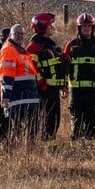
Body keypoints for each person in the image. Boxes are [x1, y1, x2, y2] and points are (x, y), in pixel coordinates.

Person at [61, 12, 95, 142]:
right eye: (84, 26)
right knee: (76, 120)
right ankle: (75, 148)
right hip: (75, 90)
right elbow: (64, 67)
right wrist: (63, 86)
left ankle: (90, 147)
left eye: (89, 26)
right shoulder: (71, 46)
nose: (86, 28)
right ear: (79, 28)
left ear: (93, 28)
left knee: (91, 121)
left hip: (92, 90)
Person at [26, 12, 68, 142]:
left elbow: (57, 68)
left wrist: (63, 85)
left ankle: (50, 146)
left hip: (53, 89)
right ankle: (44, 146)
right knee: (46, 120)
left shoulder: (50, 44)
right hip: (44, 90)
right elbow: (31, 68)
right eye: (50, 25)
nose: (52, 28)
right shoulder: (34, 46)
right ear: (43, 26)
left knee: (54, 120)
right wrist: (42, 83)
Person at [0, 24, 40, 141]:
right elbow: (7, 75)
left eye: (21, 34)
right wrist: (6, 96)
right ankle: (14, 150)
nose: (20, 36)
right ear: (10, 35)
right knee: (17, 129)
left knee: (31, 129)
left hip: (28, 97)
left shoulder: (21, 51)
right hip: (17, 98)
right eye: (17, 34)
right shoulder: (9, 50)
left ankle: (28, 149)